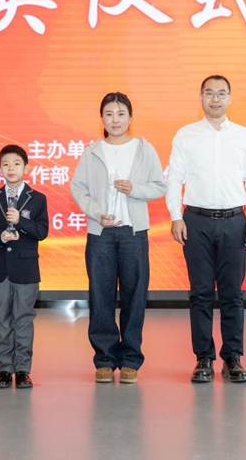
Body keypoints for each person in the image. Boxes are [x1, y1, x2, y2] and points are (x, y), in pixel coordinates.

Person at [166, 75, 246, 384]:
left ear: (230, 98)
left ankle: (233, 358)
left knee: (233, 293)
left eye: (221, 93)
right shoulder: (186, 135)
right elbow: (174, 179)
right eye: (209, 93)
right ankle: (204, 358)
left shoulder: (244, 136)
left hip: (234, 221)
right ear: (201, 98)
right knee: (201, 293)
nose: (215, 99)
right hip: (196, 221)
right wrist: (175, 216)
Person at [70, 92, 167, 384]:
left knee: (134, 295)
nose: (115, 120)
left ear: (131, 118)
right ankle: (104, 359)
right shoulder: (92, 151)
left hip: (133, 233)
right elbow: (78, 188)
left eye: (121, 113)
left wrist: (134, 188)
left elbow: (159, 186)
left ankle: (130, 359)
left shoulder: (144, 149)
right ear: (102, 118)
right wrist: (97, 213)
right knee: (100, 295)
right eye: (109, 114)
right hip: (100, 233)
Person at [0, 145, 49, 389]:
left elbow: (42, 231)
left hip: (26, 269)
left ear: (26, 167)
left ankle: (23, 370)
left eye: (16, 163)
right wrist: (0, 236)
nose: (11, 168)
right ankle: (4, 369)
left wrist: (21, 221)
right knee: (1, 319)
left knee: (23, 319)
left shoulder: (38, 199)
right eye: (5, 164)